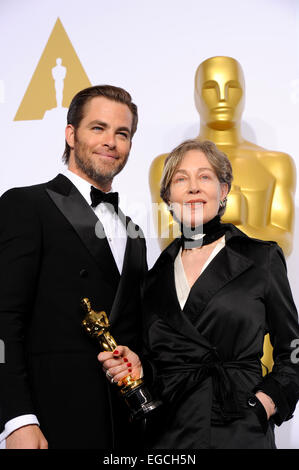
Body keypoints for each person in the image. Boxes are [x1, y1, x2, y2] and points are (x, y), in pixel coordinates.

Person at [100, 139, 299, 449]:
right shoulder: (152, 280)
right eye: (181, 179)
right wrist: (139, 368)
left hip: (238, 430)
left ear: (223, 191)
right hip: (169, 435)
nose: (193, 187)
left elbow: (294, 350)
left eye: (204, 176)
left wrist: (266, 404)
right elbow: (159, 364)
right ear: (167, 198)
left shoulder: (261, 259)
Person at [0, 85, 147, 449]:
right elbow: (3, 317)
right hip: (50, 421)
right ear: (71, 135)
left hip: (123, 427)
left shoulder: (136, 233)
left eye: (122, 133)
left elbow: (133, 327)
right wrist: (16, 419)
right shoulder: (26, 205)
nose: (111, 141)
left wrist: (137, 359)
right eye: (98, 128)